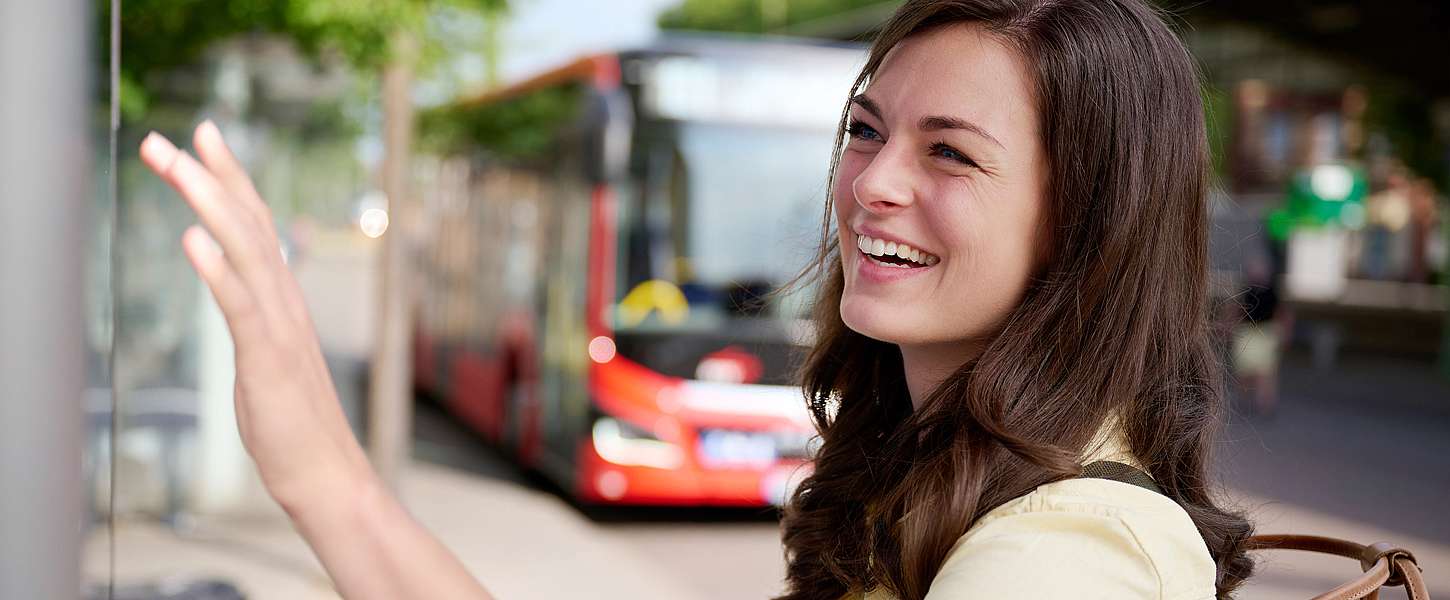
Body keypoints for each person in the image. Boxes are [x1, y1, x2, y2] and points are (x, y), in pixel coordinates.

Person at [138, 0, 1255, 598]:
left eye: (950, 154)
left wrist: (326, 481)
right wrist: (322, 478)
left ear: (1087, 221)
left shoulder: (1063, 557)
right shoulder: (936, 485)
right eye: (864, 129)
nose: (872, 183)